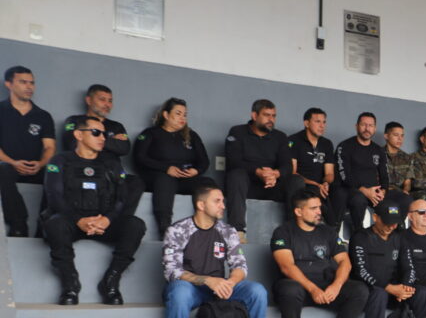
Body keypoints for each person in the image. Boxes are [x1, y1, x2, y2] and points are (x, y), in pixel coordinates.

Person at [162, 183, 267, 318]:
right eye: (217, 201)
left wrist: (230, 283)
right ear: (201, 205)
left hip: (219, 287)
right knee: (179, 292)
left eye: (223, 201)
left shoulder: (227, 231)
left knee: (257, 292)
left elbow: (240, 266)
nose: (223, 206)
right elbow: (171, 270)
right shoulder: (178, 230)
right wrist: (208, 280)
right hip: (191, 287)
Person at [43, 115, 145, 305]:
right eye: (96, 133)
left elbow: (122, 197)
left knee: (135, 225)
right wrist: (78, 220)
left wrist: (107, 219)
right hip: (72, 221)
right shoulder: (60, 160)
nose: (103, 138)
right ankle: (70, 284)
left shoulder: (111, 163)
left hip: (102, 222)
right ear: (78, 135)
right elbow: (54, 196)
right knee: (54, 224)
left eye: (104, 134)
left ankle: (111, 281)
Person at [271, 190, 368, 318]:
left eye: (319, 207)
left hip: (326, 287)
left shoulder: (328, 232)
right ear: (298, 211)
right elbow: (287, 266)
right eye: (313, 208)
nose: (319, 212)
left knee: (360, 290)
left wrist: (336, 286)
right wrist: (313, 289)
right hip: (299, 288)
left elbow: (345, 262)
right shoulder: (283, 232)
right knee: (289, 289)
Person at [351, 200, 426, 318]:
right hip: (372, 291)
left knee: (422, 293)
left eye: (394, 223)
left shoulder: (399, 237)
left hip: (396, 292)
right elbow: (360, 271)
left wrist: (406, 287)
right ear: (375, 218)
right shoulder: (360, 237)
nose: (391, 226)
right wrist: (388, 287)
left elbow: (409, 267)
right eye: (387, 222)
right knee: (379, 294)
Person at [61, 84, 144, 217]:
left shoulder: (116, 126)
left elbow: (124, 148)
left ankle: (119, 221)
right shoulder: (75, 121)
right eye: (102, 99)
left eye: (110, 100)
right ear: (89, 100)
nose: (107, 104)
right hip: (83, 171)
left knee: (135, 182)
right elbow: (72, 143)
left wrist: (91, 139)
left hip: (110, 173)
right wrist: (111, 140)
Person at [134, 98, 210, 238]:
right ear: (166, 115)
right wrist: (166, 168)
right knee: (165, 179)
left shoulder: (191, 135)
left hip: (185, 178)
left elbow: (204, 161)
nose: (182, 118)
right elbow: (139, 158)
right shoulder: (150, 133)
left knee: (208, 184)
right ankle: (165, 230)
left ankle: (209, 227)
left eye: (185, 115)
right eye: (178, 113)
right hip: (160, 177)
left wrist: (196, 171)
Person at [224, 99, 296, 239]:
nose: (271, 119)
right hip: (247, 187)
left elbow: (287, 165)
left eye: (273, 116)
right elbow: (233, 160)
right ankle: (237, 231)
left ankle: (294, 232)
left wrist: (275, 174)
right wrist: (258, 172)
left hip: (272, 186)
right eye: (266, 115)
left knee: (295, 180)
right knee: (236, 174)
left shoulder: (280, 137)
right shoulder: (237, 132)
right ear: (254, 115)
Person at [0, 65, 56, 237]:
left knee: (57, 172)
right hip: (8, 167)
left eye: (32, 83)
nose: (29, 87)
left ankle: (44, 229)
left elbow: (49, 147)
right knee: (2, 169)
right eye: (23, 82)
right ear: (8, 84)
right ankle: (19, 225)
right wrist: (13, 162)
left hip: (35, 169)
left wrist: (41, 163)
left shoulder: (43, 116)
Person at [333, 112, 404, 232]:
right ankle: (358, 234)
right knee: (358, 200)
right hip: (353, 190)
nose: (367, 128)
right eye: (364, 125)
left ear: (375, 128)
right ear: (356, 126)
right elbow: (344, 175)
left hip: (374, 193)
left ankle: (396, 235)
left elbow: (384, 176)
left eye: (371, 125)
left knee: (401, 201)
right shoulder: (344, 146)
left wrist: (383, 191)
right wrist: (364, 190)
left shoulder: (378, 150)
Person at [288, 107, 335, 221]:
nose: (322, 126)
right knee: (309, 188)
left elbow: (329, 173)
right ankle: (328, 223)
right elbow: (292, 172)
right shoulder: (293, 140)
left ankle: (334, 225)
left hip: (320, 186)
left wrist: (325, 183)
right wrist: (316, 184)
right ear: (307, 123)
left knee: (339, 192)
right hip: (303, 184)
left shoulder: (327, 143)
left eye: (324, 122)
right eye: (317, 121)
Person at [382, 121, 413, 216]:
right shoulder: (377, 154)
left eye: (402, 136)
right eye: (396, 135)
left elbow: (407, 182)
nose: (400, 139)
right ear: (386, 136)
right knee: (392, 207)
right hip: (383, 193)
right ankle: (396, 221)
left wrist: (406, 190)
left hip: (399, 193)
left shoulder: (407, 158)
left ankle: (398, 222)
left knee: (407, 200)